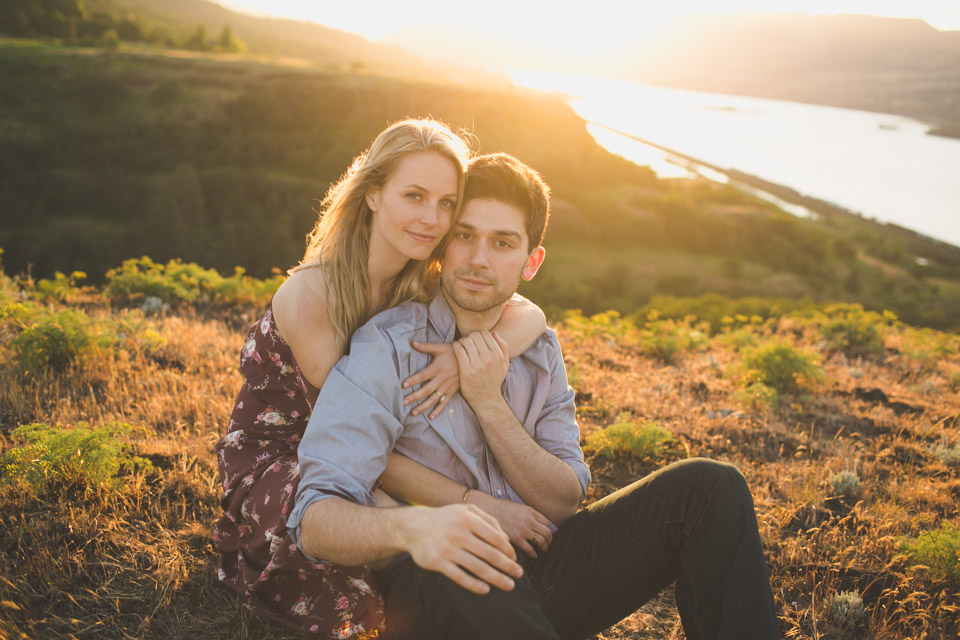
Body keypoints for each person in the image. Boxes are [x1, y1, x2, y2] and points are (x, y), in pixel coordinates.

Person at [290, 153, 781, 639]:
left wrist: (487, 399)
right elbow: (314, 519)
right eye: (465, 235)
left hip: (543, 572)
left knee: (710, 487)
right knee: (469, 557)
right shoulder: (388, 346)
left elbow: (564, 500)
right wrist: (417, 529)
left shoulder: (538, 350)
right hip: (436, 585)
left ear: (531, 262)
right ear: (443, 244)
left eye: (503, 243)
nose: (479, 259)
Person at [212, 120, 549, 637]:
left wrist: (468, 356)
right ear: (372, 194)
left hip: (370, 445)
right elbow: (351, 438)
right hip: (291, 454)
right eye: (414, 196)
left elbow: (528, 312)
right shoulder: (313, 297)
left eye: (445, 203)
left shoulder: (424, 272)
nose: (431, 218)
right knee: (384, 549)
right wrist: (477, 506)